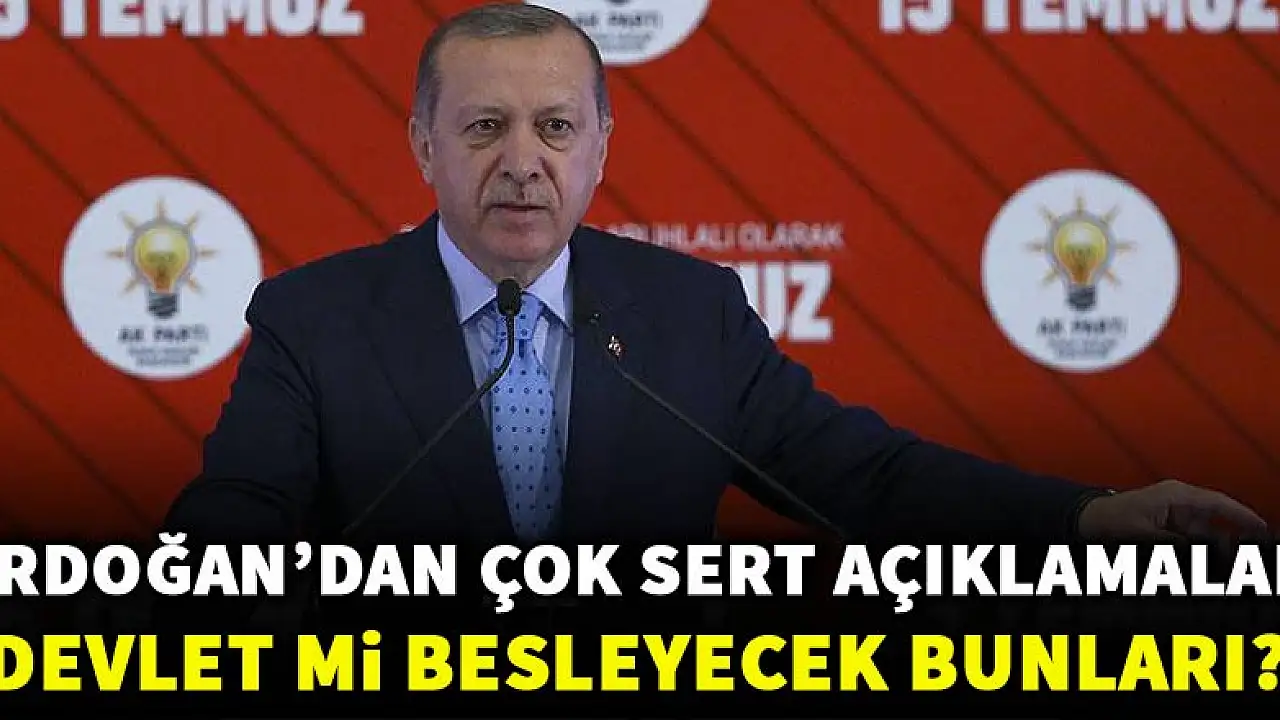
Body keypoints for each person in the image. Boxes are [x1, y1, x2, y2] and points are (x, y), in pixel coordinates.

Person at [165, 3, 1267, 548]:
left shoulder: (690, 315)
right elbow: (226, 535)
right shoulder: (315, 320)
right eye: (485, 126)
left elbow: (867, 480)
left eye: (556, 127)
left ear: (602, 148)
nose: (523, 162)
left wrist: (1091, 516)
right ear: (423, 146)